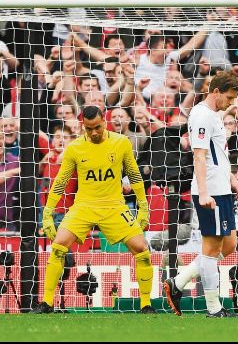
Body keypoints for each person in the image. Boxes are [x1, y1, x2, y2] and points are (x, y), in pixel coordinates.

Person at [33, 106, 155, 314]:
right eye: (89, 129)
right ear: (83, 127)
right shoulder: (74, 148)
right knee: (59, 245)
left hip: (114, 205)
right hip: (84, 205)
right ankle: (46, 302)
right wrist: (47, 212)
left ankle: (146, 304)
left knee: (142, 249)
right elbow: (60, 182)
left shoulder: (121, 142)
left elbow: (134, 175)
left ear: (104, 122)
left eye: (97, 127)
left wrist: (143, 206)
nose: (94, 132)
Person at [163, 71, 238, 318]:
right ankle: (214, 308)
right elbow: (199, 156)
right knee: (211, 250)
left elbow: (218, 153)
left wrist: (231, 179)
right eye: (229, 97)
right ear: (216, 91)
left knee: (230, 244)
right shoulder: (200, 116)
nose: (231, 102)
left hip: (222, 188)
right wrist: (203, 194)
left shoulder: (214, 114)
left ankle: (177, 283)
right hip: (210, 192)